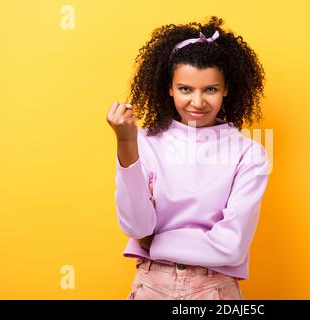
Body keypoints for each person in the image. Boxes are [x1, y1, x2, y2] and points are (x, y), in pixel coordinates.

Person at [106, 16, 270, 300]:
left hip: (214, 290)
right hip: (151, 287)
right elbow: (136, 227)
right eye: (185, 89)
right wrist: (126, 143)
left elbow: (231, 246)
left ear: (226, 89)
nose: (197, 102)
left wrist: (155, 243)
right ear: (169, 88)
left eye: (210, 89)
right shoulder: (143, 141)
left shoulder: (249, 153)